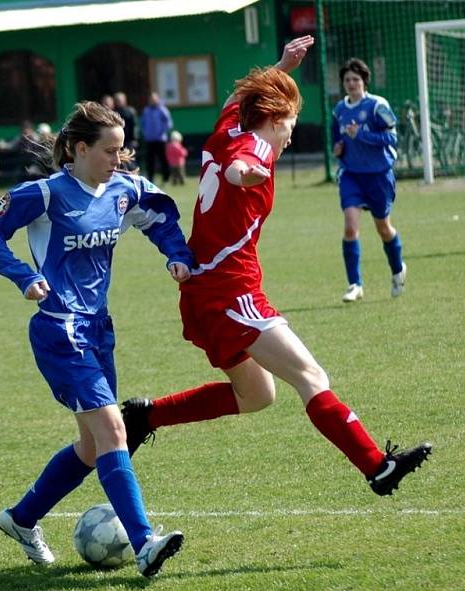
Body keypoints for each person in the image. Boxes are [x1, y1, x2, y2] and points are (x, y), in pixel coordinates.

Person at [121, 36, 431, 500]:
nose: (290, 135)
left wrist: (281, 68)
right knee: (312, 377)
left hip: (205, 293)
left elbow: (234, 102)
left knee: (257, 396)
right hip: (232, 293)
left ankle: (144, 417)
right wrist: (245, 174)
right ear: (272, 119)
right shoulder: (256, 151)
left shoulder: (229, 127)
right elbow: (240, 166)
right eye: (289, 124)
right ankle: (376, 466)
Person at [0, 100, 194, 578]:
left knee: (94, 447)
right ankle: (144, 544)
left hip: (98, 330)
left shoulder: (124, 190)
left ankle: (21, 518)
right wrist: (21, 275)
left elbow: (160, 216)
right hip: (59, 329)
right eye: (109, 150)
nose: (118, 159)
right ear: (78, 149)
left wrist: (175, 255)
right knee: (113, 430)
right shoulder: (46, 194)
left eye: (121, 150)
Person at [331, 58, 405, 303]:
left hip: (378, 175)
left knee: (383, 228)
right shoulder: (339, 110)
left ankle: (397, 270)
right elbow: (335, 138)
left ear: (364, 81)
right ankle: (355, 284)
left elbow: (392, 138)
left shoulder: (377, 106)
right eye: (347, 80)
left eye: (355, 79)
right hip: (351, 175)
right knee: (350, 226)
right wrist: (338, 147)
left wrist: (362, 134)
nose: (351, 84)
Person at [140, 91, 173, 183]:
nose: (152, 101)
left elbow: (168, 123)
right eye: (151, 99)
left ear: (157, 99)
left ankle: (166, 177)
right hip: (149, 139)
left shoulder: (162, 109)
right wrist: (145, 132)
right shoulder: (146, 110)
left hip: (160, 139)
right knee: (150, 160)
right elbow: (142, 123)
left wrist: (162, 132)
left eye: (154, 99)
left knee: (163, 159)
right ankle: (151, 178)